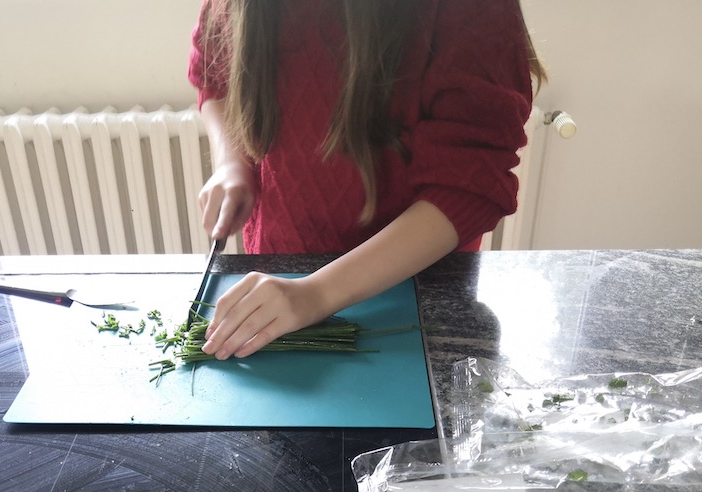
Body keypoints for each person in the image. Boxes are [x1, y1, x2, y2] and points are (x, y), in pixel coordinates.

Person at [188, 0, 546, 360]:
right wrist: (233, 162)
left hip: (417, 304)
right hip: (280, 286)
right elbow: (213, 73)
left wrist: (316, 294)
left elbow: (469, 185)